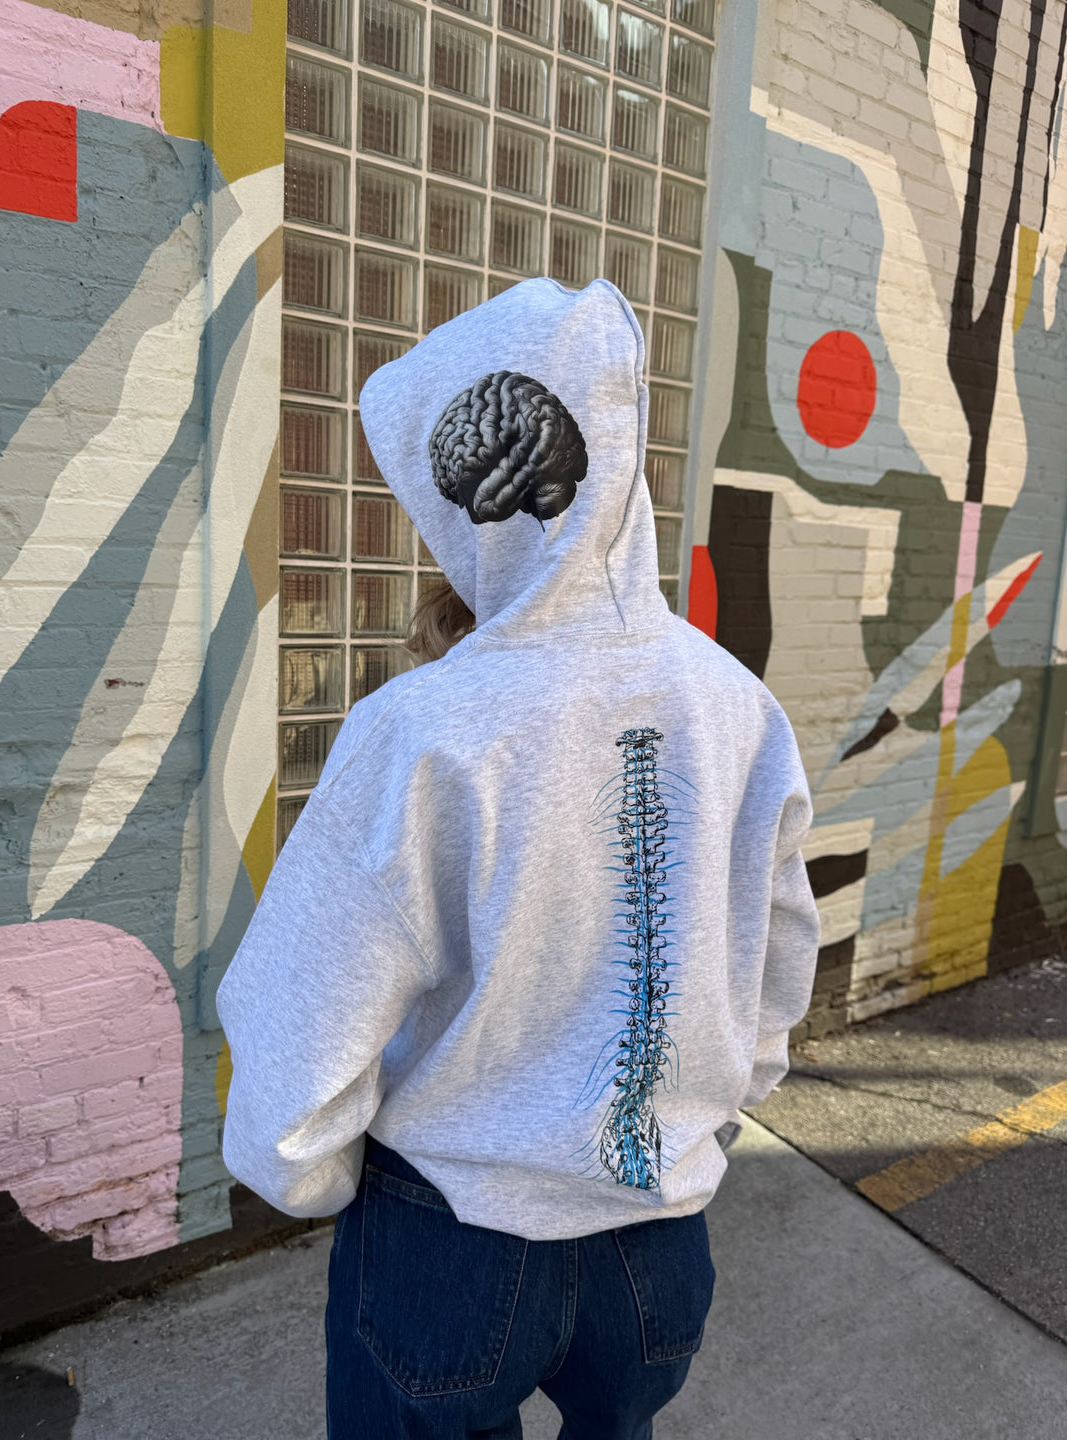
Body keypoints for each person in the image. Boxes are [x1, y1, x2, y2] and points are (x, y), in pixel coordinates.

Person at [217, 277, 821, 1440]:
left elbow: (303, 1026)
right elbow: (774, 977)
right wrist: (701, 1124)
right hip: (657, 1245)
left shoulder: (429, 728)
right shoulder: (738, 709)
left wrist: (319, 1179)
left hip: (456, 1231)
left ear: (461, 508)